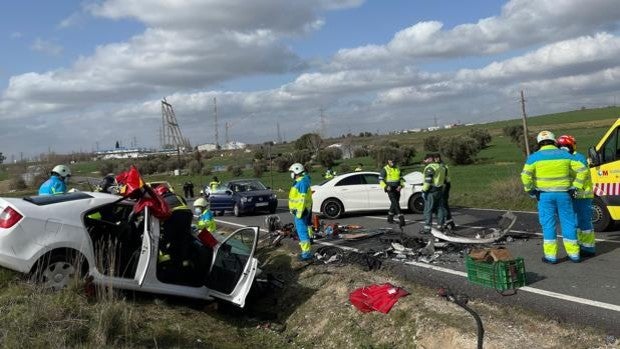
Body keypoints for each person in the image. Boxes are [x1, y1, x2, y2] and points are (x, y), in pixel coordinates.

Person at [521, 130, 588, 264]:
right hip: (564, 194)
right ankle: (574, 255)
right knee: (568, 223)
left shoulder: (534, 157)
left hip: (544, 196)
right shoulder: (564, 154)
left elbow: (525, 176)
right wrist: (576, 187)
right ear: (554, 141)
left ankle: (551, 256)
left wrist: (531, 191)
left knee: (548, 225)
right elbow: (583, 170)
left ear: (539, 143)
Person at [557, 134, 596, 257]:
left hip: (581, 194)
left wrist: (574, 188)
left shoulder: (577, 158)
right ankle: (583, 245)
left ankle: (588, 248)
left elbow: (581, 175)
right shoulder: (570, 158)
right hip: (577, 193)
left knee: (582, 221)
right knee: (577, 222)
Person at [288, 163, 314, 261]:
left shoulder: (301, 183)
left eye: (292, 172)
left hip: (300, 212)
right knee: (304, 231)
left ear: (296, 171)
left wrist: (299, 213)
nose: (291, 174)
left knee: (302, 232)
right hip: (302, 211)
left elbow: (302, 199)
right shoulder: (301, 181)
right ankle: (306, 250)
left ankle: (306, 254)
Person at [421, 153, 447, 234]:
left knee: (428, 209)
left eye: (426, 159)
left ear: (429, 159)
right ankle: (440, 226)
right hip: (439, 190)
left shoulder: (430, 168)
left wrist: (424, 190)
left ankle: (427, 228)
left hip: (431, 191)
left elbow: (428, 180)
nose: (425, 161)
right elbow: (445, 179)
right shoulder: (441, 167)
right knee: (440, 209)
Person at [379, 158, 405, 226]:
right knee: (396, 203)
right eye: (391, 161)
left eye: (394, 161)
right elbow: (380, 180)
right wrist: (386, 186)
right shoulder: (385, 169)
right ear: (388, 161)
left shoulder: (397, 168)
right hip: (390, 189)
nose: (393, 162)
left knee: (394, 203)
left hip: (397, 188)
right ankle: (401, 219)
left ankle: (390, 218)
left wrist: (401, 185)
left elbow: (401, 178)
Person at [436, 153, 455, 229]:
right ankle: (449, 222)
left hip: (444, 185)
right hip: (445, 185)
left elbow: (443, 176)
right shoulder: (441, 165)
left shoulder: (442, 166)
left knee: (443, 204)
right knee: (444, 204)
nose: (436, 159)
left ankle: (447, 222)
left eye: (437, 158)